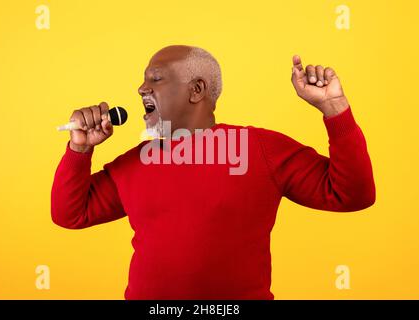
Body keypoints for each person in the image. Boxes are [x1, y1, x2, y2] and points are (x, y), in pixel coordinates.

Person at [51, 45, 375, 299]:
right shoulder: (136, 162)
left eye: (156, 78)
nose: (140, 88)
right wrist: (80, 148)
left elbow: (351, 195)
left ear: (197, 90)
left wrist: (335, 109)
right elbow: (71, 214)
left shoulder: (260, 150)